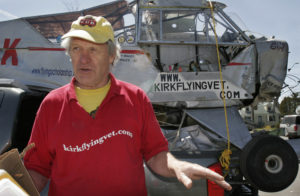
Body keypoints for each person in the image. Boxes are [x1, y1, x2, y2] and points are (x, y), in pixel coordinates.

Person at [23, 15, 232, 195]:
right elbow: (37, 168)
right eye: (76, 49)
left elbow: (155, 155)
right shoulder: (51, 104)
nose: (83, 59)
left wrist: (176, 165)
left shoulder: (136, 99)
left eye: (93, 49)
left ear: (112, 55)